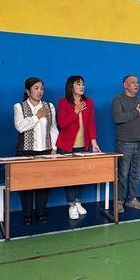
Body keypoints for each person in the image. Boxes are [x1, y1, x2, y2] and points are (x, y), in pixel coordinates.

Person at [13, 77, 59, 224]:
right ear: (28, 91)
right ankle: (27, 214)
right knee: (26, 184)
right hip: (25, 151)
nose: (40, 91)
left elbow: (53, 128)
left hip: (45, 150)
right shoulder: (19, 107)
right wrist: (37, 116)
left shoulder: (49, 106)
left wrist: (54, 148)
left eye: (41, 89)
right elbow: (20, 126)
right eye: (36, 88)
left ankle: (41, 212)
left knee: (44, 183)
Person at [56, 75, 101, 220]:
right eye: (78, 84)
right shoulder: (63, 102)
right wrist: (75, 111)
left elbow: (91, 123)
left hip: (83, 146)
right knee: (70, 177)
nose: (82, 87)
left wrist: (93, 142)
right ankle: (71, 205)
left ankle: (77, 201)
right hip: (66, 146)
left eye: (83, 84)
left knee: (81, 176)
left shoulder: (88, 102)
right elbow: (62, 124)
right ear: (71, 87)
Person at [112, 75, 140, 213]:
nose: (136, 84)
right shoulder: (118, 100)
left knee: (137, 174)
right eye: (133, 82)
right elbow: (117, 118)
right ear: (125, 85)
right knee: (123, 174)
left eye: (137, 82)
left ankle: (132, 199)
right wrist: (136, 112)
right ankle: (119, 200)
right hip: (124, 143)